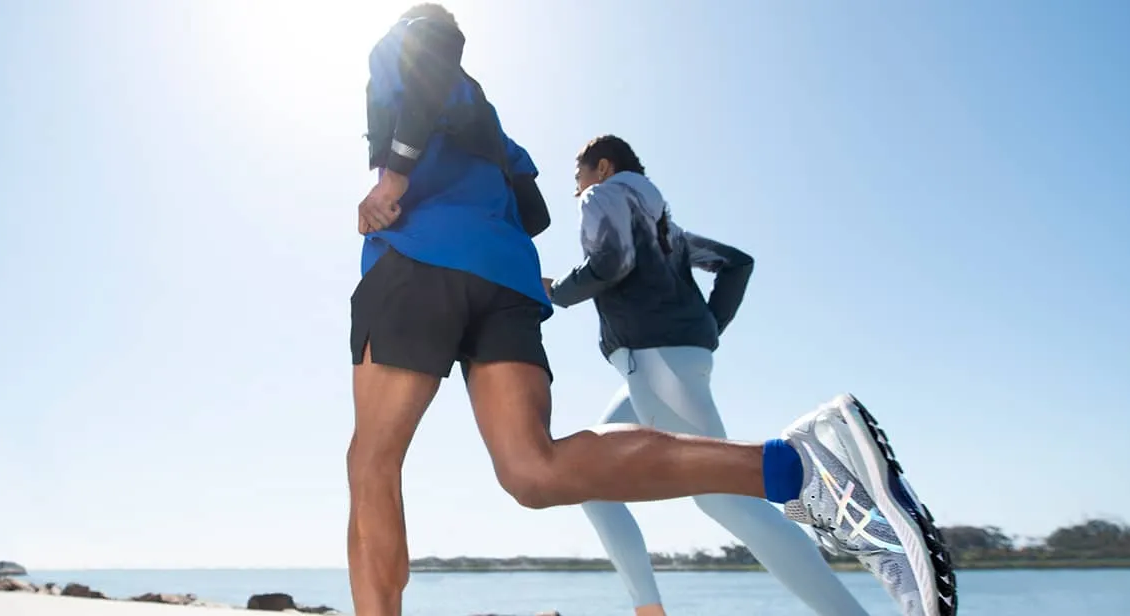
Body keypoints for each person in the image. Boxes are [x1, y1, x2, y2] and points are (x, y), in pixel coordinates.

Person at [349, 5, 958, 616]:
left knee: (374, 460)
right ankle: (786, 474)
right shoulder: (498, 127)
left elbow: (435, 57)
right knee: (535, 471)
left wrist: (394, 178)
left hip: (420, 260)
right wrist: (708, 328)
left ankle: (828, 526)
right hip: (507, 279)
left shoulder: (406, 44)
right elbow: (534, 214)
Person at [554, 135, 870, 616]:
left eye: (578, 176)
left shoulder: (605, 195)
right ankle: (648, 609)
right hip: (659, 365)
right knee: (587, 478)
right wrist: (706, 328)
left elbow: (612, 262)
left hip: (657, 362)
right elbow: (736, 264)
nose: (576, 188)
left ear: (602, 167)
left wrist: (557, 291)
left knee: (725, 499)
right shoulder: (667, 228)